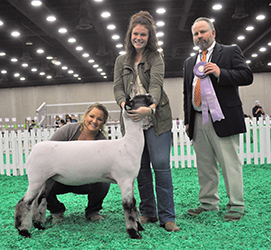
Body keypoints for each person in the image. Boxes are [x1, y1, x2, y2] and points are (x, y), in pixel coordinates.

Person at [113, 11, 179, 232]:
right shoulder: (121, 60)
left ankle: (167, 217)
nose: (138, 38)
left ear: (149, 37)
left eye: (143, 34)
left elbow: (156, 87)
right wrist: (124, 106)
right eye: (135, 34)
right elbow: (117, 88)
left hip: (156, 118)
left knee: (161, 166)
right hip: (132, 121)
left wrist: (148, 109)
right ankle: (148, 212)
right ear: (129, 35)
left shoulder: (156, 58)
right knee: (139, 169)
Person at [183, 17, 253, 221]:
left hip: (223, 118)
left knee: (230, 163)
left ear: (213, 33)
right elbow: (187, 93)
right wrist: (188, 120)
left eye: (203, 32)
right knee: (204, 165)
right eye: (196, 34)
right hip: (197, 119)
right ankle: (208, 203)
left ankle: (236, 205)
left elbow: (246, 76)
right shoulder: (189, 62)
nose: (199, 36)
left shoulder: (230, 51)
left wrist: (220, 72)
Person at [47, 103, 110, 223]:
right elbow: (50, 149)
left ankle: (93, 211)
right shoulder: (69, 130)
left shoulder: (102, 141)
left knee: (104, 182)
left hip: (86, 181)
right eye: (92, 116)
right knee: (41, 184)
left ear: (103, 123)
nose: (94, 121)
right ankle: (56, 210)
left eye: (99, 119)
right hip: (61, 178)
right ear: (85, 116)